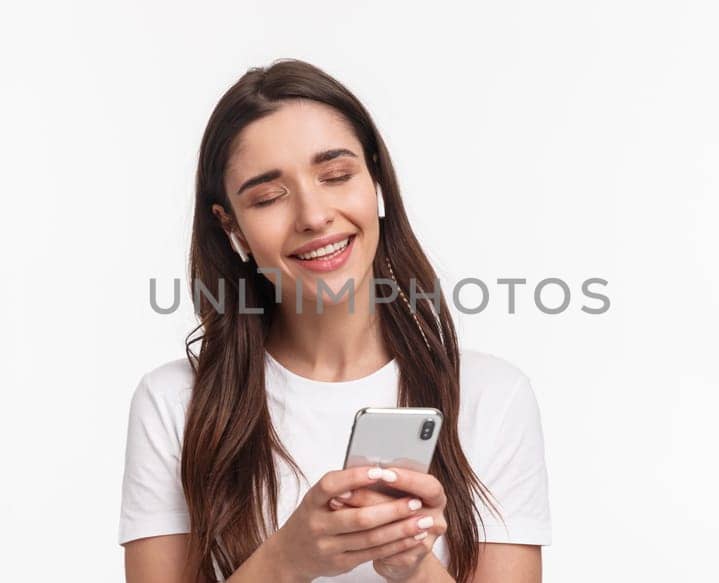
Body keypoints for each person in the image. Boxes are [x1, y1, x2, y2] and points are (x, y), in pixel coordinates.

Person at [120, 59, 551, 582]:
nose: (313, 215)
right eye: (268, 197)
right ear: (230, 226)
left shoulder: (491, 396)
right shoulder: (174, 404)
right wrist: (286, 560)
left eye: (337, 175)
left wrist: (411, 566)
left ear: (377, 183)